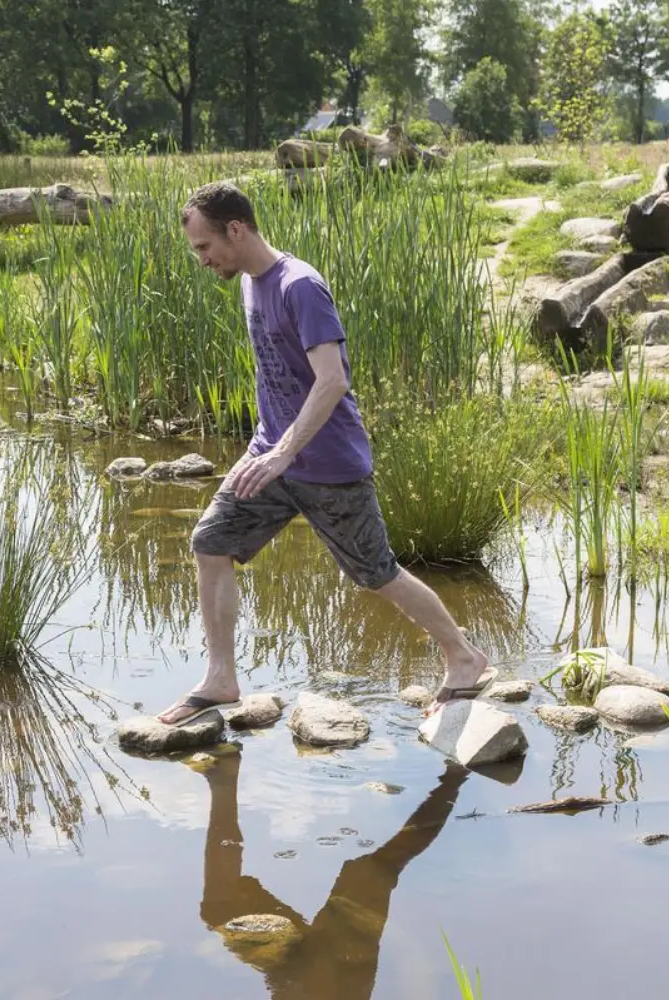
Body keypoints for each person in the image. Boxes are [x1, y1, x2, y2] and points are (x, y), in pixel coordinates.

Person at [157, 181, 493, 725]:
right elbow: (277, 379)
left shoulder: (300, 286)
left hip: (328, 464)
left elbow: (331, 380)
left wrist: (284, 452)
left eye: (203, 247)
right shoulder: (249, 283)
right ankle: (221, 678)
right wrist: (262, 449)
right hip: (272, 456)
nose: (201, 259)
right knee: (211, 541)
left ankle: (464, 656)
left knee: (375, 572)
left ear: (235, 230)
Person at [197, 749, 468, 998]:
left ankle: (224, 778)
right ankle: (457, 776)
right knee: (382, 865)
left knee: (219, 908)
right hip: (343, 964)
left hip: (304, 973)